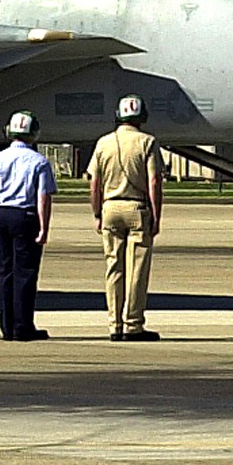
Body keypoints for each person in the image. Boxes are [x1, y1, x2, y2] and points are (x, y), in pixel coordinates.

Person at [87, 94, 163, 342]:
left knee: (113, 268)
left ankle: (114, 324)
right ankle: (133, 324)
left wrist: (97, 212)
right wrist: (156, 215)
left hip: (110, 207)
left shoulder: (103, 143)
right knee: (137, 269)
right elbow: (154, 181)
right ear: (142, 117)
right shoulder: (148, 142)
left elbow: (94, 182)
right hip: (136, 208)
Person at [0, 111, 55, 342]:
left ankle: (7, 325)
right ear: (33, 133)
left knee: (5, 272)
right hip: (25, 215)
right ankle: (23, 325)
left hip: (1, 215)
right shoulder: (39, 162)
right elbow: (43, 197)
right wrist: (44, 228)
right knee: (25, 273)